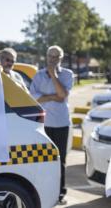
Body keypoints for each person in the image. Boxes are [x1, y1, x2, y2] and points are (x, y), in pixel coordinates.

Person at [29, 45, 73, 205]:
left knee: (60, 160)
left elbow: (62, 95)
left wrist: (54, 76)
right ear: (46, 57)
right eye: (50, 56)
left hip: (61, 123)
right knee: (42, 159)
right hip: (43, 124)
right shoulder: (38, 76)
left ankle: (60, 194)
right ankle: (43, 192)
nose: (52, 59)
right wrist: (53, 97)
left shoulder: (67, 74)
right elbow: (34, 98)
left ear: (60, 59)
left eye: (56, 57)